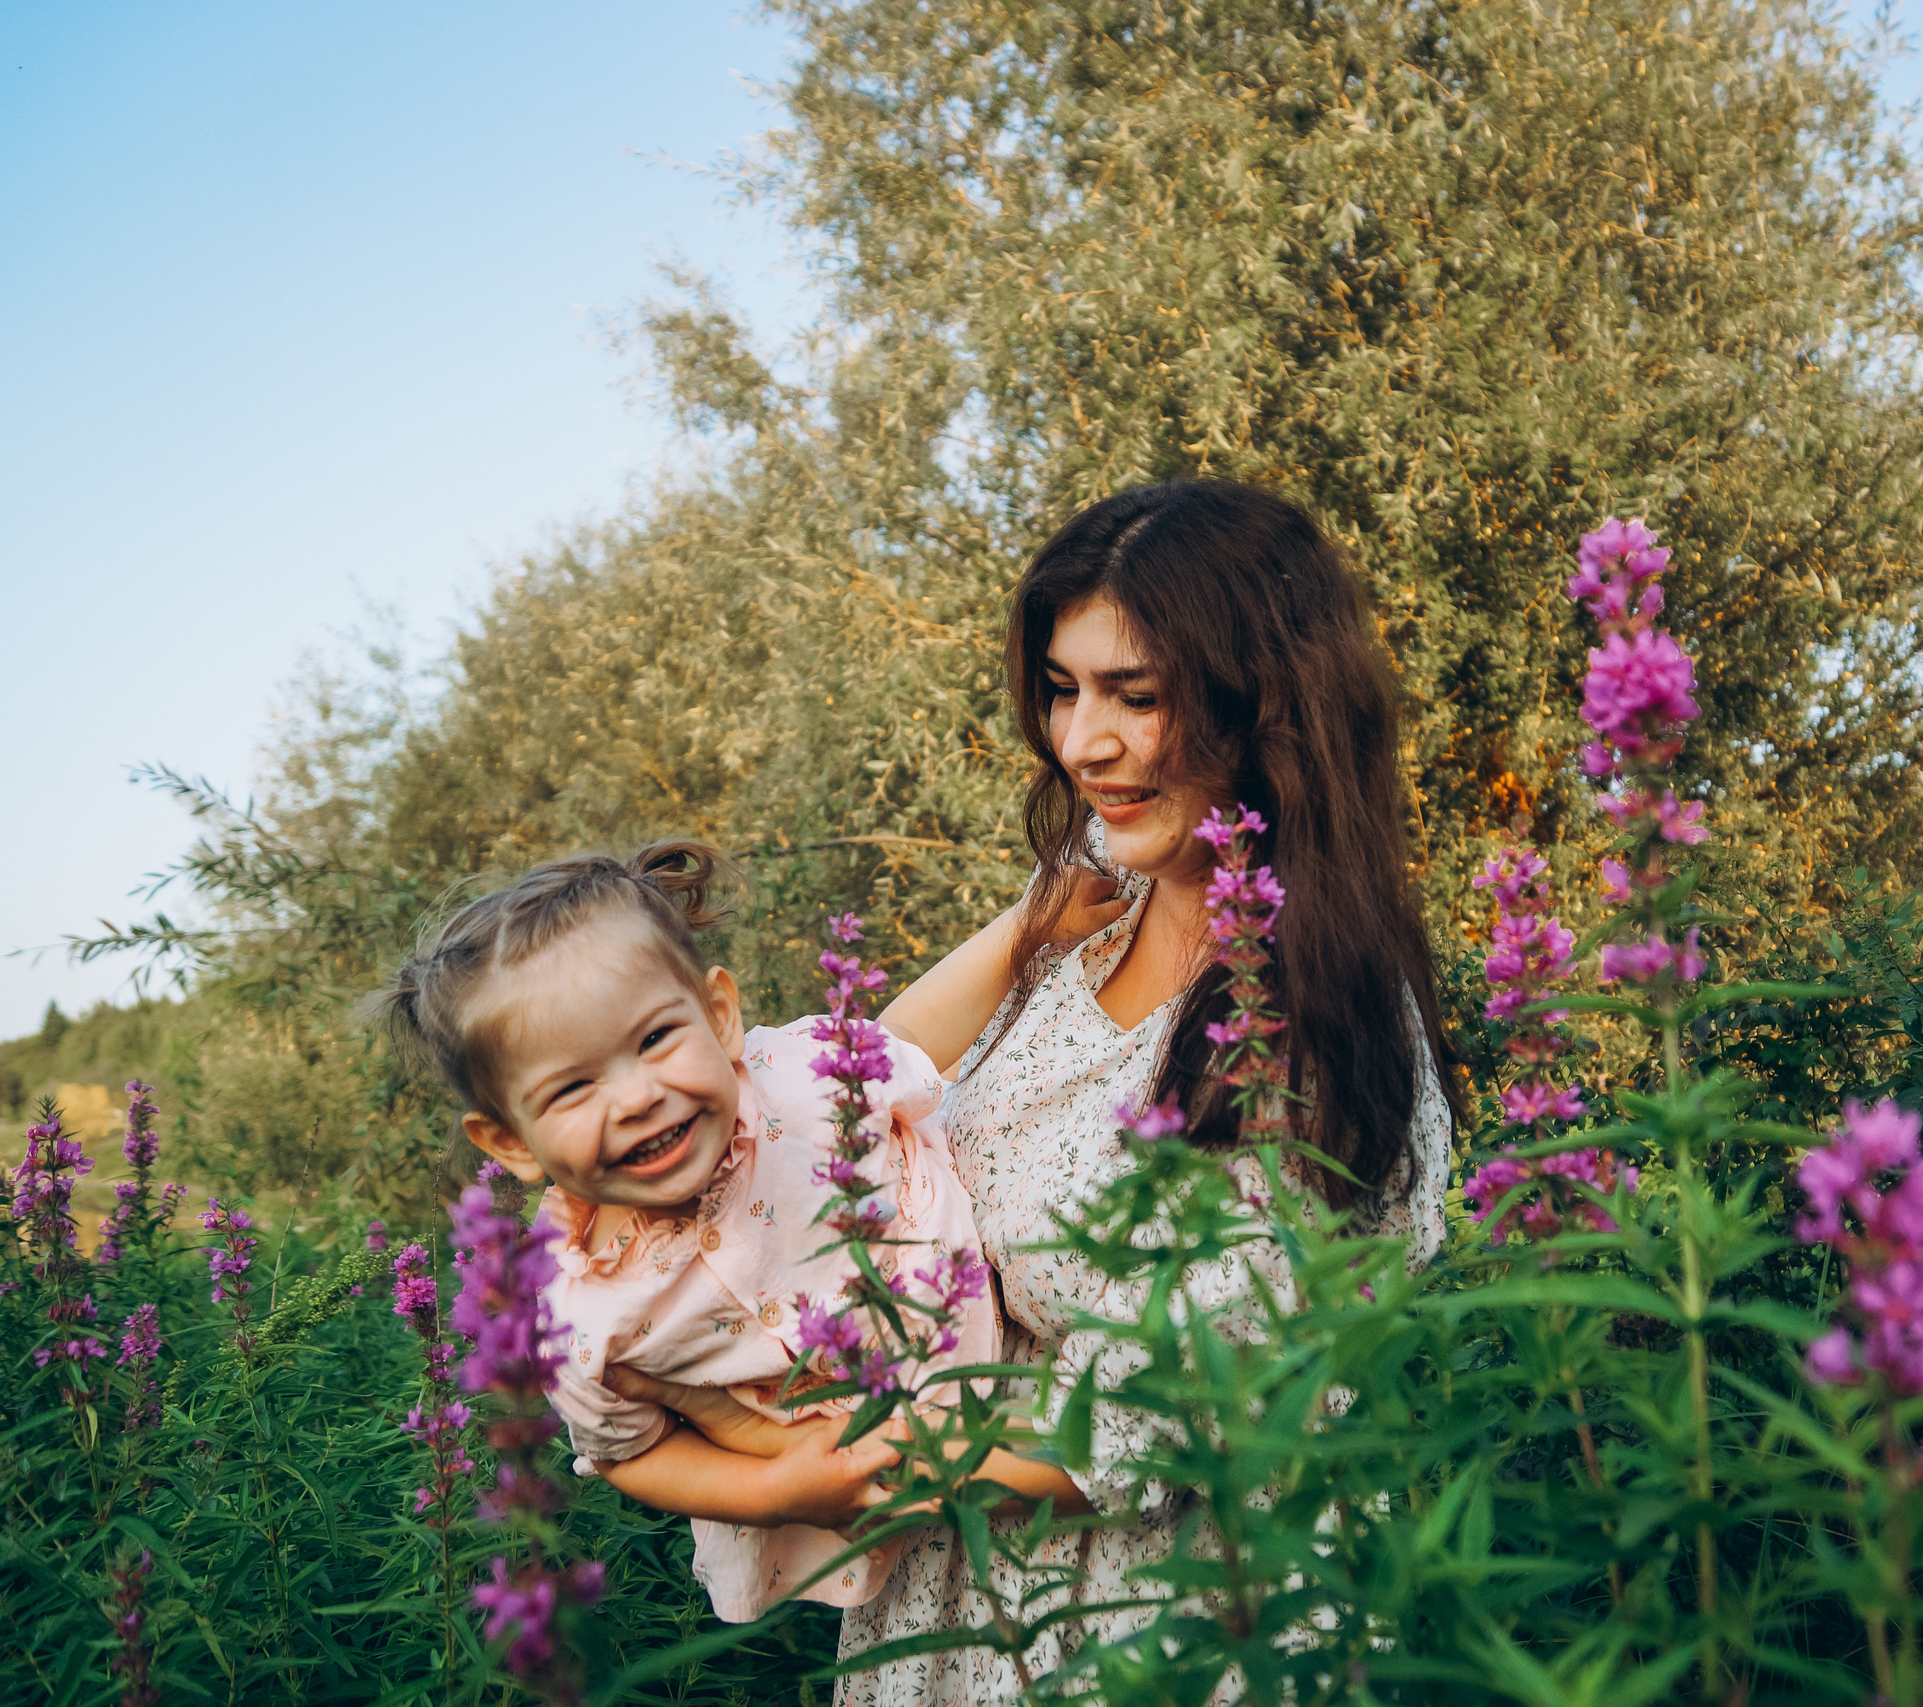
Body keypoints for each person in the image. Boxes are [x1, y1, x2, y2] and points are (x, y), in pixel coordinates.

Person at [609, 481, 1459, 1702]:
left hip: (1179, 1625)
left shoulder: (1324, 1024)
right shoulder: (1076, 932)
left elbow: (1195, 1396)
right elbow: (848, 1114)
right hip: (961, 1610)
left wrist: (806, 1470)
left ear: (1263, 701)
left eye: (1135, 695)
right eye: (1063, 691)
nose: (1079, 744)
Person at [366, 840, 1006, 1624]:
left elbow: (914, 1039)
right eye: (572, 1086)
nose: (636, 1096)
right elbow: (633, 1452)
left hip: (1016, 1345)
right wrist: (771, 1492)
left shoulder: (798, 1079)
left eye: (655, 1039)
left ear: (720, 1016)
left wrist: (1025, 931)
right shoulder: (572, 1313)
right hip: (875, 1485)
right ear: (510, 1142)